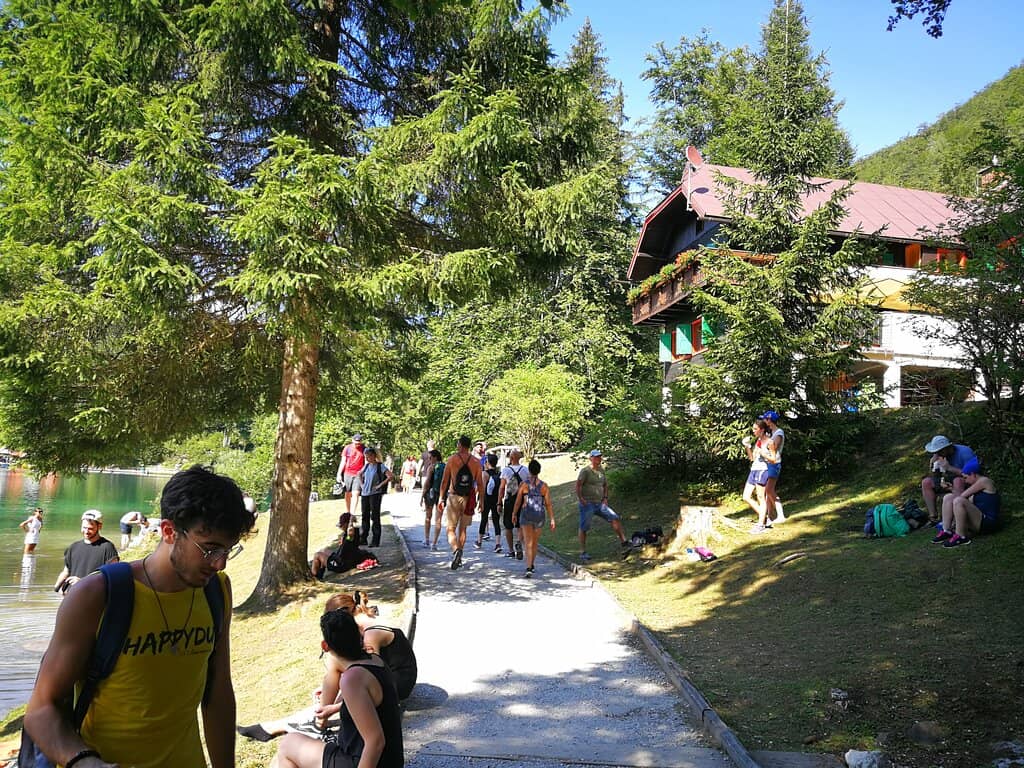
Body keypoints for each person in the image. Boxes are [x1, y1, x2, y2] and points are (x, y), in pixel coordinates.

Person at [25, 466, 255, 768]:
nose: (220, 564)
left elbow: (218, 691)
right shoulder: (98, 595)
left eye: (228, 549)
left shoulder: (217, 592)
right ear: (169, 531)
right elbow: (41, 709)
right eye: (209, 548)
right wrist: (83, 762)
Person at [270, 609, 403, 768]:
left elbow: (375, 741)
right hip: (391, 759)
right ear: (359, 634)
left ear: (325, 646)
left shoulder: (352, 679)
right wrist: (333, 708)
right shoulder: (376, 661)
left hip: (365, 761)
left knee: (287, 745)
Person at [325, 592, 417, 701]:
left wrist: (338, 704)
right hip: (399, 678)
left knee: (334, 659)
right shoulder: (369, 620)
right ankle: (325, 706)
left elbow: (371, 671)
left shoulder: (371, 634)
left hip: (398, 686)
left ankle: (322, 714)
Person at [438, 436, 485, 570]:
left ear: (460, 445)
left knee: (450, 529)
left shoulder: (452, 460)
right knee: (463, 529)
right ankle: (460, 553)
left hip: (454, 497)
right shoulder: (476, 462)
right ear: (469, 446)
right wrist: (481, 501)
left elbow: (444, 481)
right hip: (468, 498)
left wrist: (441, 498)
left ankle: (456, 550)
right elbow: (480, 484)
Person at [932, 458, 1001, 548]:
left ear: (973, 474)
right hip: (978, 521)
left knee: (959, 500)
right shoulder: (976, 487)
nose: (965, 481)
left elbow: (961, 498)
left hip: (988, 523)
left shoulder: (985, 481)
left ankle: (961, 536)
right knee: (948, 497)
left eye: (965, 477)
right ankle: (947, 530)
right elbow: (961, 501)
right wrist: (951, 490)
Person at [575, 450, 629, 562]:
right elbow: (578, 485)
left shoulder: (601, 471)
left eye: (599, 457)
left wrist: (605, 498)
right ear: (590, 458)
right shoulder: (585, 471)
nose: (598, 459)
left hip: (599, 503)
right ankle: (583, 551)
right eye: (596, 457)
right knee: (584, 527)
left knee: (614, 517)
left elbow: (605, 485)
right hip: (587, 504)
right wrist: (581, 499)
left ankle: (624, 541)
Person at [53, 510, 120, 594]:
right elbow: (66, 571)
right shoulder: (73, 547)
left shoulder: (108, 547)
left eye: (90, 528)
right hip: (72, 595)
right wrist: (57, 588)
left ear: (99, 526)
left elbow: (114, 577)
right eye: (84, 528)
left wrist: (82, 582)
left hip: (93, 596)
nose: (86, 531)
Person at [511, 459, 556, 578]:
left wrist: (514, 514)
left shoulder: (524, 485)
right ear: (539, 471)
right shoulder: (544, 486)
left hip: (526, 515)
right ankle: (532, 564)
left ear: (529, 471)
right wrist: (552, 518)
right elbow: (548, 504)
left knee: (528, 542)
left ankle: (528, 567)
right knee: (535, 543)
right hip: (539, 515)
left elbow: (517, 502)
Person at [921, 435, 977, 522]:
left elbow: (973, 475)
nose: (936, 453)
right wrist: (933, 467)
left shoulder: (964, 452)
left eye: (938, 451)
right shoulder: (939, 456)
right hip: (947, 480)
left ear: (946, 448)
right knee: (926, 482)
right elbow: (936, 477)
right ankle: (933, 517)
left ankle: (957, 516)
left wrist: (950, 468)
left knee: (957, 481)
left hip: (965, 481)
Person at [311, 514, 377, 580]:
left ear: (346, 524)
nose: (341, 527)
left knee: (317, 555)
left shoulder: (350, 536)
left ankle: (314, 577)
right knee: (324, 550)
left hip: (341, 564)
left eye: (342, 525)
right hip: (342, 558)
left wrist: (350, 521)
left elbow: (350, 533)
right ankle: (320, 573)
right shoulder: (351, 534)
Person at [743, 419, 778, 534]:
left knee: (760, 497)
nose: (753, 431)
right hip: (754, 469)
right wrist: (747, 446)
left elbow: (774, 459)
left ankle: (760, 525)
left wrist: (765, 455)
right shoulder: (758, 441)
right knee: (746, 496)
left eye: (755, 429)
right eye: (753, 429)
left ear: (762, 430)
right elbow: (752, 458)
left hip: (762, 470)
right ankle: (765, 518)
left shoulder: (770, 442)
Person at [357, 448, 392, 547]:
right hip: (365, 494)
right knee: (365, 516)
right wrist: (362, 484)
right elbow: (359, 474)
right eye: (366, 457)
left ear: (374, 456)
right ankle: (363, 538)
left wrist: (380, 485)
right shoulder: (366, 466)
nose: (367, 458)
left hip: (375, 494)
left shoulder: (380, 466)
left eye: (369, 456)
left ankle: (375, 540)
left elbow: (390, 476)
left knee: (375, 516)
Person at [498, 449, 527, 558]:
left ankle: (511, 550)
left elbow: (502, 488)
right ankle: (519, 541)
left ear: (511, 458)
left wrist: (499, 502)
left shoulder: (506, 470)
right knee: (521, 525)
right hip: (522, 499)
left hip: (509, 499)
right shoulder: (525, 470)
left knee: (508, 526)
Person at [760, 410, 786, 524]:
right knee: (768, 491)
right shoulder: (771, 433)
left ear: (769, 420)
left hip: (774, 464)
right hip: (769, 463)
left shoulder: (778, 433)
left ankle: (780, 515)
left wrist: (765, 449)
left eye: (765, 419)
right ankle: (770, 516)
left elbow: (774, 447)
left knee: (769, 490)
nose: (764, 421)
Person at [474, 453, 502, 550]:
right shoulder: (499, 474)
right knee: (496, 521)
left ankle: (479, 541)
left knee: (484, 519)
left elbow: (482, 488)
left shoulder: (484, 474)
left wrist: (479, 502)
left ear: (487, 463)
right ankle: (498, 543)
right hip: (496, 499)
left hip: (486, 499)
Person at [336, 434, 367, 517]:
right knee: (347, 493)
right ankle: (348, 512)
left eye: (358, 443)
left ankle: (352, 513)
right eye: (355, 442)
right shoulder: (347, 448)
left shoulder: (364, 449)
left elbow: (367, 462)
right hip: (347, 473)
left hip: (358, 474)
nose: (357, 444)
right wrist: (339, 474)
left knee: (356, 493)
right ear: (352, 441)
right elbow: (343, 461)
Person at [421, 449, 444, 550]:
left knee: (428, 517)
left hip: (430, 494)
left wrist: (422, 496)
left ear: (435, 457)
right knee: (438, 519)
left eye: (430, 457)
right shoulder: (445, 466)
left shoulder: (431, 467)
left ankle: (426, 539)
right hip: (442, 495)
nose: (429, 459)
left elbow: (427, 483)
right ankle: (434, 543)